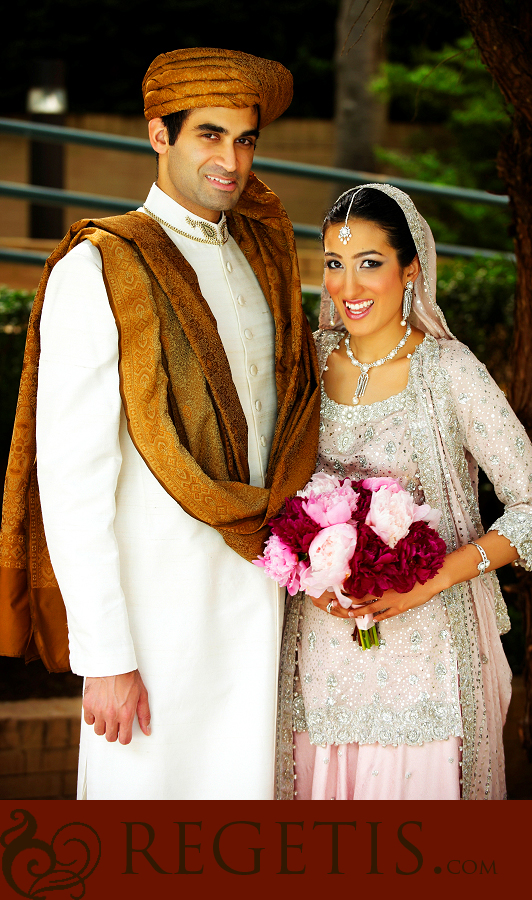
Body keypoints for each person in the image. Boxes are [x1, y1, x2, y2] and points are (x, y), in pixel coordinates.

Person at [0, 47, 320, 800]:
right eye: (209, 135)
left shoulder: (258, 257)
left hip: (261, 594)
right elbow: (74, 477)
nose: (231, 160)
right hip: (155, 618)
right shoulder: (101, 266)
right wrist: (105, 655)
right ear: (157, 135)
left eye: (246, 139)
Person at [276, 183, 532, 801]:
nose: (348, 287)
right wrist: (305, 561)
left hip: (430, 664)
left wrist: (435, 577)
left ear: (410, 267)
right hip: (321, 658)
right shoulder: (304, 366)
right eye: (335, 265)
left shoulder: (451, 372)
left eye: (370, 264)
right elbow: (271, 494)